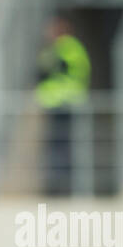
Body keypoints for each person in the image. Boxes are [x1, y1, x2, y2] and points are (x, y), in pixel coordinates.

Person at [35, 14, 90, 196]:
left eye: (53, 27)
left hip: (66, 104)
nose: (49, 32)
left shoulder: (67, 49)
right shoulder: (55, 50)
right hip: (55, 104)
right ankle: (57, 186)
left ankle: (63, 188)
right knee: (56, 148)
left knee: (64, 148)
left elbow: (67, 76)